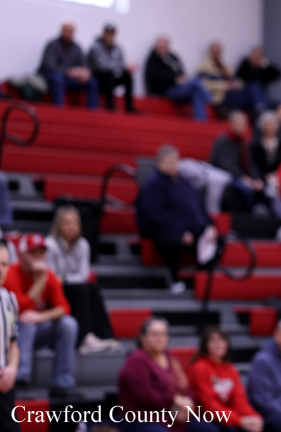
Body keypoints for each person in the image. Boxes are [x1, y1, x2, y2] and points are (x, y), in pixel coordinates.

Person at [5, 233, 80, 398]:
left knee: (68, 324)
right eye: (33, 252)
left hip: (37, 331)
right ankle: (20, 380)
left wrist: (41, 317)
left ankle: (63, 383)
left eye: (42, 253)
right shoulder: (10, 273)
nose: (38, 257)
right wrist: (40, 281)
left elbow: (64, 308)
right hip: (11, 334)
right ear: (22, 254)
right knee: (27, 320)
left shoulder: (48, 275)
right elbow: (21, 308)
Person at [137, 146, 218, 294]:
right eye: (167, 161)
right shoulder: (153, 184)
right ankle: (174, 278)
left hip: (188, 226)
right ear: (159, 163)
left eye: (174, 161)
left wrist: (209, 224)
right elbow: (156, 215)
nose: (171, 165)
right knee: (171, 241)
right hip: (163, 227)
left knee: (217, 239)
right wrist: (181, 231)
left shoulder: (184, 182)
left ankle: (201, 278)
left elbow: (199, 205)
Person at [117, 318, 217, 432]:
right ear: (142, 337)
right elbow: (145, 396)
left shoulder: (171, 358)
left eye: (163, 334)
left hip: (175, 418)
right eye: (154, 334)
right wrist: (174, 400)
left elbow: (186, 387)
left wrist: (185, 406)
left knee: (208, 429)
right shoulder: (137, 359)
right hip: (145, 419)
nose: (159, 338)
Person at [45, 206, 119, 353]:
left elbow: (83, 274)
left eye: (75, 223)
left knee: (93, 287)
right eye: (67, 222)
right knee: (82, 289)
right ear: (58, 225)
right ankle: (84, 338)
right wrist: (66, 280)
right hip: (53, 289)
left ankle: (105, 336)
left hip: (71, 285)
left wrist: (65, 279)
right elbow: (51, 275)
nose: (71, 226)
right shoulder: (49, 244)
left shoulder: (83, 244)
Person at [189, 326, 263, 432]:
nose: (218, 344)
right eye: (213, 341)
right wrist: (239, 421)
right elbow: (208, 406)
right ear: (205, 345)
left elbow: (239, 399)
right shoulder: (200, 368)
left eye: (221, 340)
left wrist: (253, 416)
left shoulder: (230, 369)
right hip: (204, 417)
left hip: (228, 416)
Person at [145, 36, 212, 121]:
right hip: (167, 90)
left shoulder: (173, 57)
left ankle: (201, 123)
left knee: (196, 90)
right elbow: (154, 79)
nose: (163, 49)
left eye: (165, 47)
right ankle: (210, 99)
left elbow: (181, 71)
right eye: (161, 47)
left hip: (179, 87)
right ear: (156, 47)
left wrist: (182, 79)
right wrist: (174, 80)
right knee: (195, 84)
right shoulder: (152, 60)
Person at [210, 110, 265, 211]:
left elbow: (251, 164)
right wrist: (242, 177)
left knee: (263, 189)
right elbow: (224, 164)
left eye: (242, 124)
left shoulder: (245, 143)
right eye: (237, 123)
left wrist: (256, 178)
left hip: (242, 176)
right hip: (226, 176)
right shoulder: (222, 141)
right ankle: (248, 216)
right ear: (231, 124)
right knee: (246, 190)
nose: (240, 126)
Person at [38, 21, 99, 108]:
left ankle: (93, 113)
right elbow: (49, 66)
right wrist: (68, 71)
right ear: (62, 31)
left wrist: (84, 73)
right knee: (58, 79)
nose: (69, 33)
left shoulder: (77, 47)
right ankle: (58, 110)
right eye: (67, 30)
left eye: (71, 31)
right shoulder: (52, 45)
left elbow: (84, 64)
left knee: (92, 81)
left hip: (70, 78)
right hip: (50, 76)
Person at [86, 23, 136, 112]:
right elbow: (100, 66)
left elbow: (121, 63)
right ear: (103, 34)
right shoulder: (95, 47)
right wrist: (121, 67)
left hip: (112, 75)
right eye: (107, 33)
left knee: (127, 76)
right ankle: (110, 106)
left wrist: (125, 68)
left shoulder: (117, 48)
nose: (109, 36)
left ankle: (129, 107)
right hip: (99, 76)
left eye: (111, 34)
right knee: (109, 75)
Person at [0, 243, 20, 432]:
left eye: (4, 264)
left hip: (3, 382)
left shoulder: (9, 299)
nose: (1, 269)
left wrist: (12, 368)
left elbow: (13, 343)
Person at [249, 111, 281, 183]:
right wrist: (259, 178)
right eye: (266, 125)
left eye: (271, 125)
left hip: (279, 177)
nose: (269, 128)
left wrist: (277, 174)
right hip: (260, 179)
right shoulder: (256, 144)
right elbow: (253, 164)